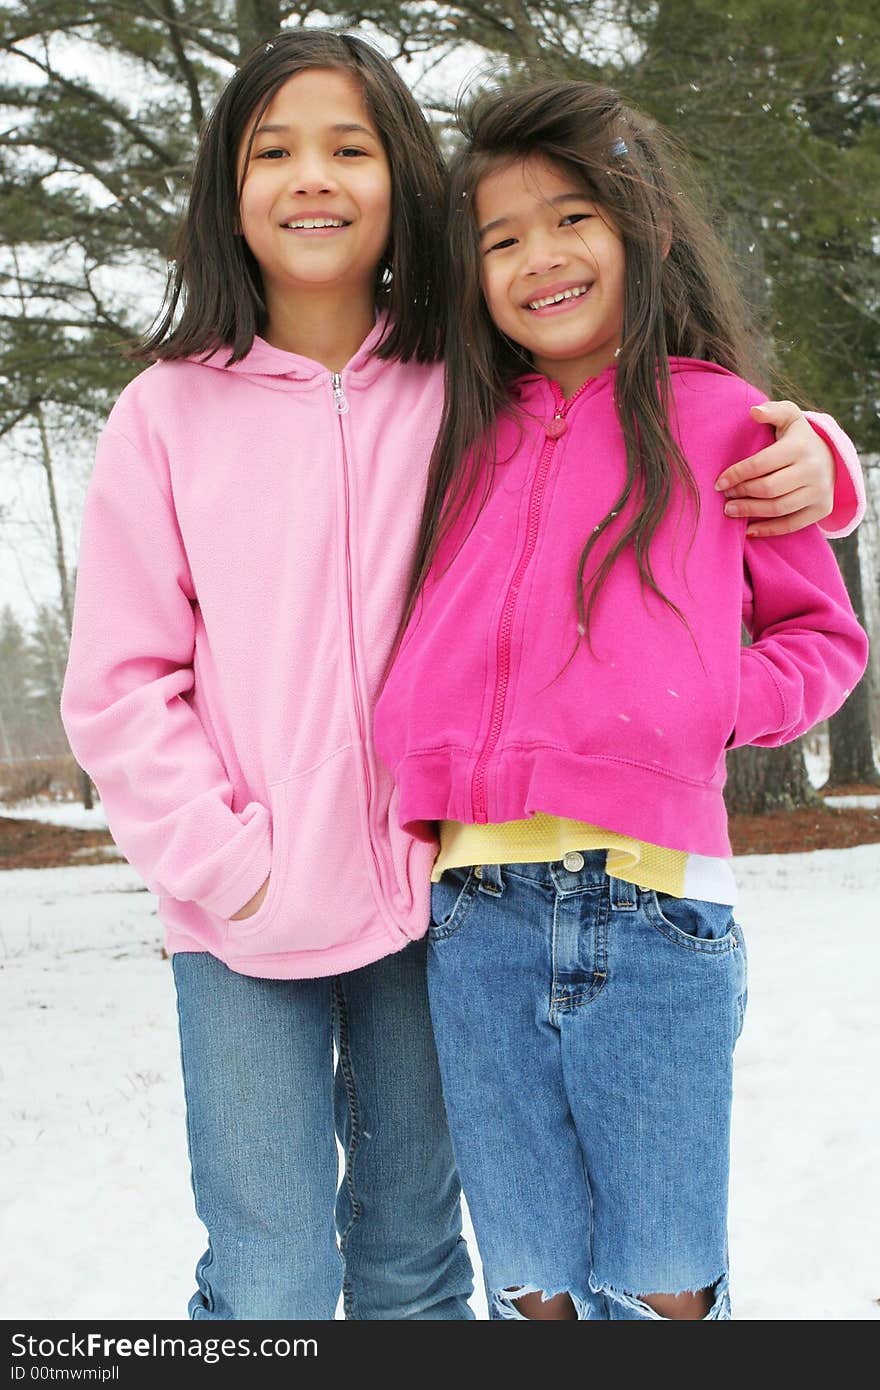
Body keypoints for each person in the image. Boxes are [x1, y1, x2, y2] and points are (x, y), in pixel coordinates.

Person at [59, 30, 862, 1322]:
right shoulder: (168, 411)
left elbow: (624, 411)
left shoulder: (460, 386)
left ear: (400, 187)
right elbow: (118, 681)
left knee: (420, 1265)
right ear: (227, 188)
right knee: (268, 1277)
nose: (311, 177)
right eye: (273, 151)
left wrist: (823, 457)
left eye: (351, 146)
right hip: (240, 918)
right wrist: (227, 861)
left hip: (433, 899)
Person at [373, 78, 870, 1322]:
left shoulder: (723, 421)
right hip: (473, 918)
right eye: (500, 239)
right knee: (529, 1282)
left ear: (640, 226)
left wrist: (706, 698)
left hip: (657, 916)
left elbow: (821, 633)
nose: (539, 257)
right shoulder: (454, 429)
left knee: (659, 1291)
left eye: (571, 217)